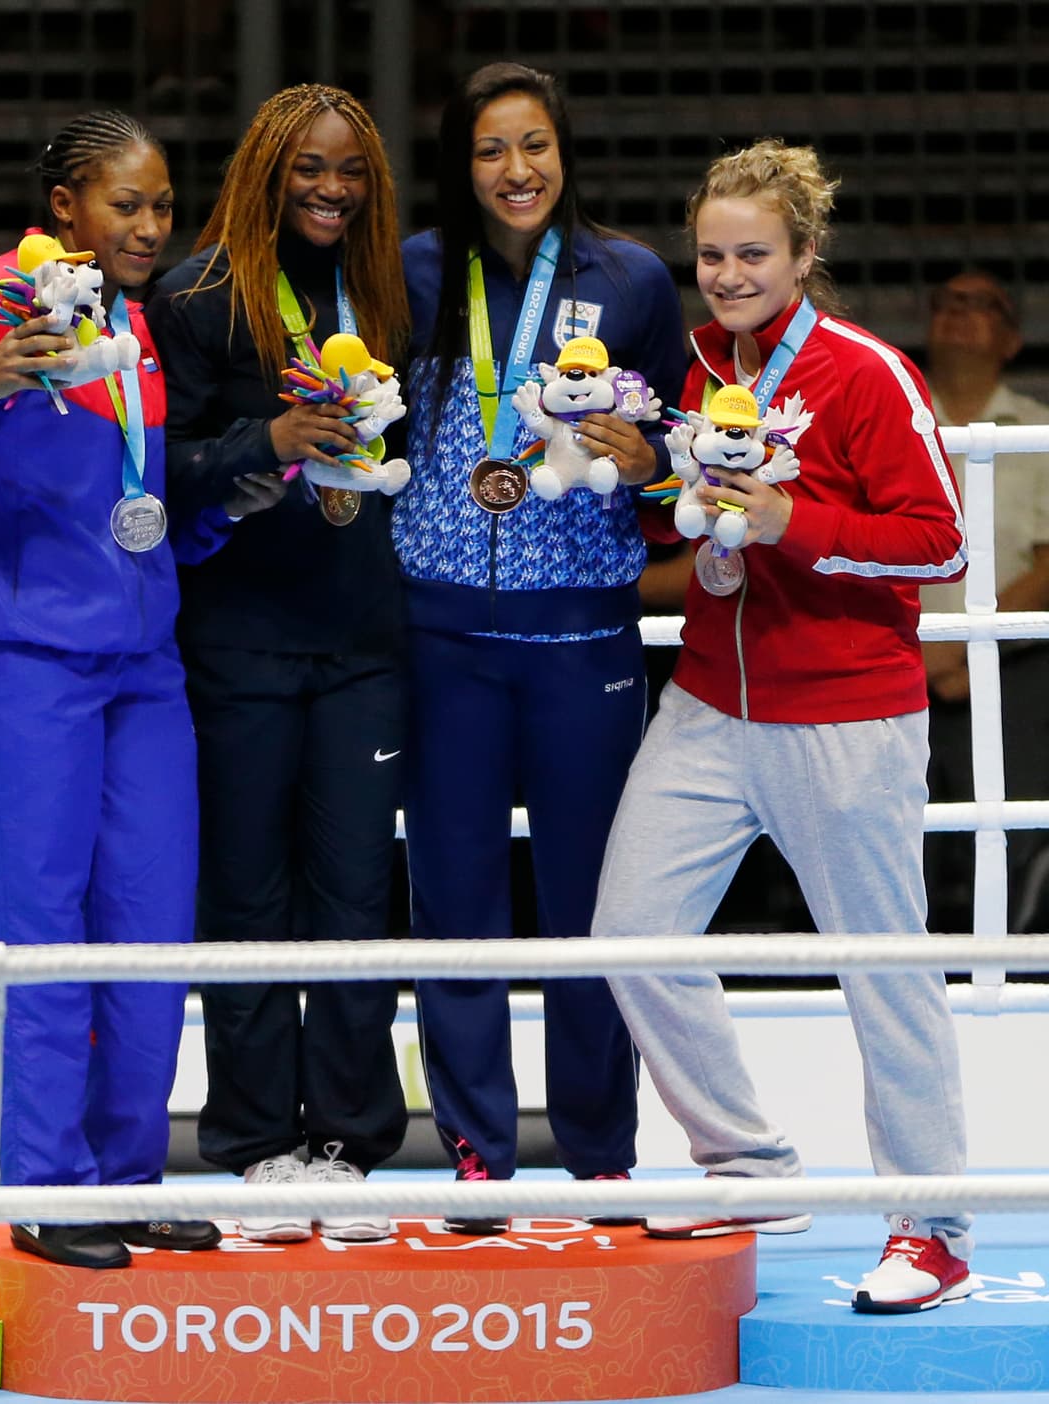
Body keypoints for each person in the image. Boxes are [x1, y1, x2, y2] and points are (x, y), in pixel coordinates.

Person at [0, 110, 282, 1270]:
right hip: (24, 666)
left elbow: (121, 509)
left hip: (142, 666)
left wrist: (213, 514)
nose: (152, 226)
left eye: (161, 205)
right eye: (126, 205)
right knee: (40, 931)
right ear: (65, 207)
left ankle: (123, 1177)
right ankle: (43, 1189)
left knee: (146, 929)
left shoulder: (136, 326)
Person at [592, 139, 972, 1314]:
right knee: (631, 935)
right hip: (708, 702)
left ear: (804, 255)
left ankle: (935, 1230)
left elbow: (942, 542)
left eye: (752, 252)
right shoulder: (699, 365)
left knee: (882, 973)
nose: (726, 272)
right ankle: (745, 1165)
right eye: (709, 253)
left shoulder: (864, 372)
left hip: (846, 716)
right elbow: (699, 521)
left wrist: (784, 521)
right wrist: (662, 489)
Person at [393, 61, 687, 1235]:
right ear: (460, 167)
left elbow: (673, 463)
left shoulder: (632, 279)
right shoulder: (411, 272)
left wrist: (647, 459)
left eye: (534, 146)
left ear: (562, 151)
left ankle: (599, 1155)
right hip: (442, 636)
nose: (515, 171)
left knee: (590, 906)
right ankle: (475, 1155)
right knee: (453, 901)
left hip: (581, 641)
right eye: (488, 151)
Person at [144, 84, 410, 1243]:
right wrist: (271, 441)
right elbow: (162, 463)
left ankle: (349, 1143)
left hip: (363, 640)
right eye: (307, 167)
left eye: (348, 170)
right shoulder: (195, 296)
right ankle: (254, 1142)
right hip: (237, 636)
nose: (330, 188)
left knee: (354, 891)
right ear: (264, 170)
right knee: (246, 893)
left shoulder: (392, 289)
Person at [917, 269, 1049, 933]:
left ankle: (1005, 980)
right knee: (901, 843)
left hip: (1013, 663)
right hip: (896, 660)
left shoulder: (1040, 429)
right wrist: (928, 652)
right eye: (948, 300)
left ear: (1014, 339)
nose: (960, 313)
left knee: (1010, 838)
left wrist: (968, 645)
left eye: (983, 305)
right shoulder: (895, 420)